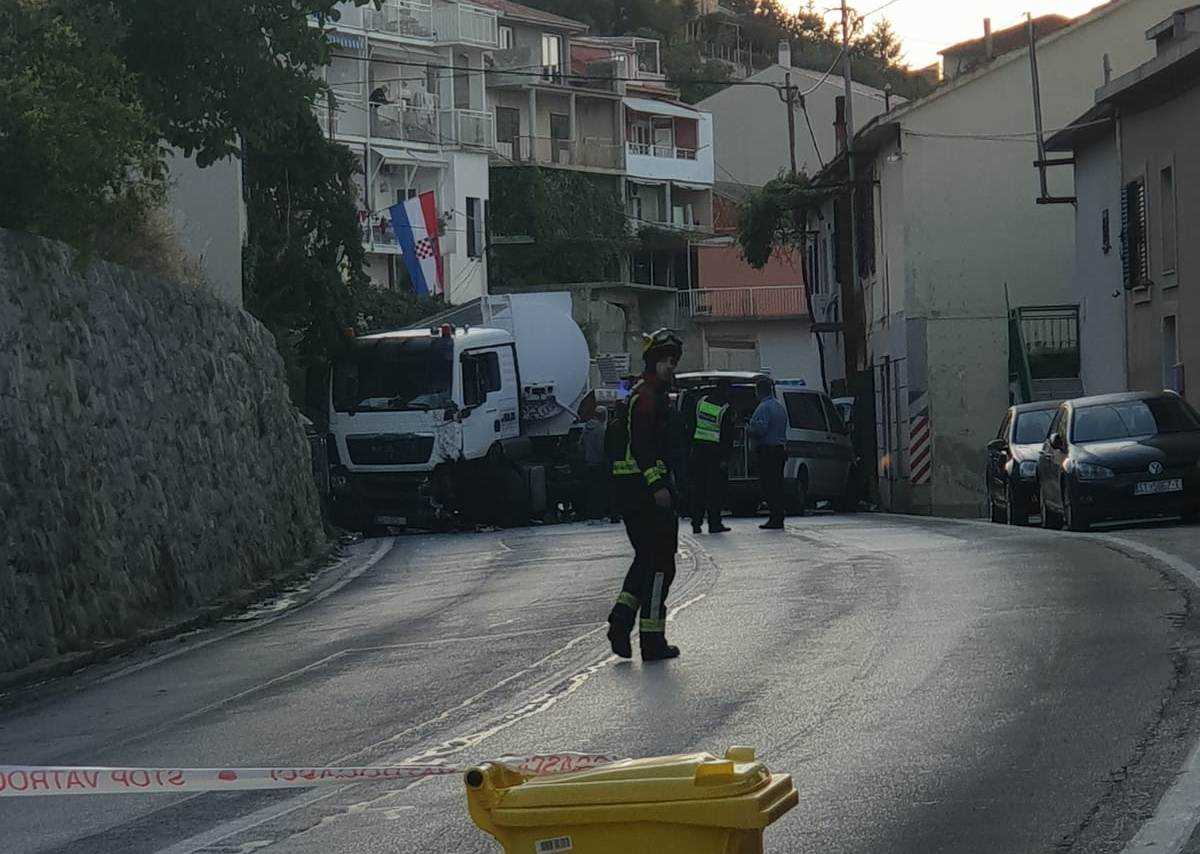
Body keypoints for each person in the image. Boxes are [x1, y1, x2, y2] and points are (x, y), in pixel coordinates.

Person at [607, 330, 684, 663]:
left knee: (647, 561)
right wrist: (658, 486)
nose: (670, 366)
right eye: (664, 360)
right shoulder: (648, 397)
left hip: (633, 490)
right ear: (653, 362)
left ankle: (621, 621)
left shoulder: (645, 394)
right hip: (644, 492)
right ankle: (651, 641)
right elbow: (643, 446)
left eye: (673, 361)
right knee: (660, 565)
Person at [689, 379, 734, 534]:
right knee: (715, 491)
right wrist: (726, 458)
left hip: (698, 451)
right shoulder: (725, 408)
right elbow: (727, 436)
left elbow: (691, 424)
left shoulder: (701, 402)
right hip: (716, 454)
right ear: (725, 390)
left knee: (698, 489)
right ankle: (714, 523)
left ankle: (696, 523)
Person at [749, 378, 788, 530]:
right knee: (777, 485)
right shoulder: (779, 407)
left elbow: (760, 430)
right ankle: (778, 515)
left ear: (759, 390)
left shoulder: (763, 408)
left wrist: (749, 429)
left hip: (768, 451)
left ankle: (775, 517)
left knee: (769, 486)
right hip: (779, 450)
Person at [581, 406, 610, 522]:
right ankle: (599, 513)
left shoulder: (586, 428)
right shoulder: (600, 429)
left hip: (589, 462)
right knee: (600, 490)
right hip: (599, 463)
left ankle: (591, 513)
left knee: (591, 490)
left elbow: (582, 444)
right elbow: (601, 447)